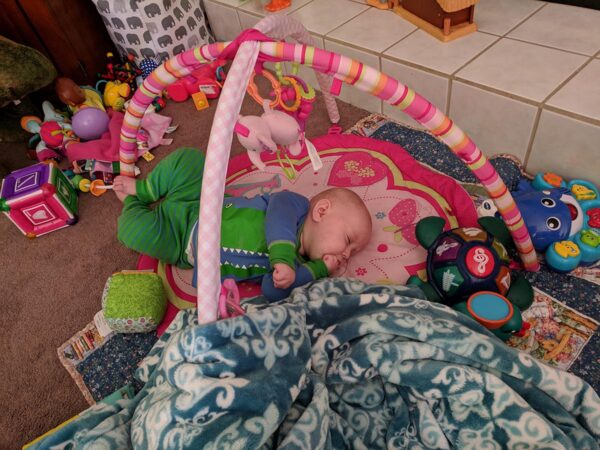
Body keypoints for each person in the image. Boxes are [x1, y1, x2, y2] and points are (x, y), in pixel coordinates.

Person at [113, 147, 372, 301]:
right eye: (349, 241)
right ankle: (146, 189)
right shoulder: (296, 205)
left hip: (182, 242)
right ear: (322, 211)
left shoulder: (296, 266)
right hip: (205, 201)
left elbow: (272, 291)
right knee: (189, 160)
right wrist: (281, 257)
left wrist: (314, 270)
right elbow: (277, 217)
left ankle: (133, 204)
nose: (347, 254)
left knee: (134, 231)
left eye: (353, 252)